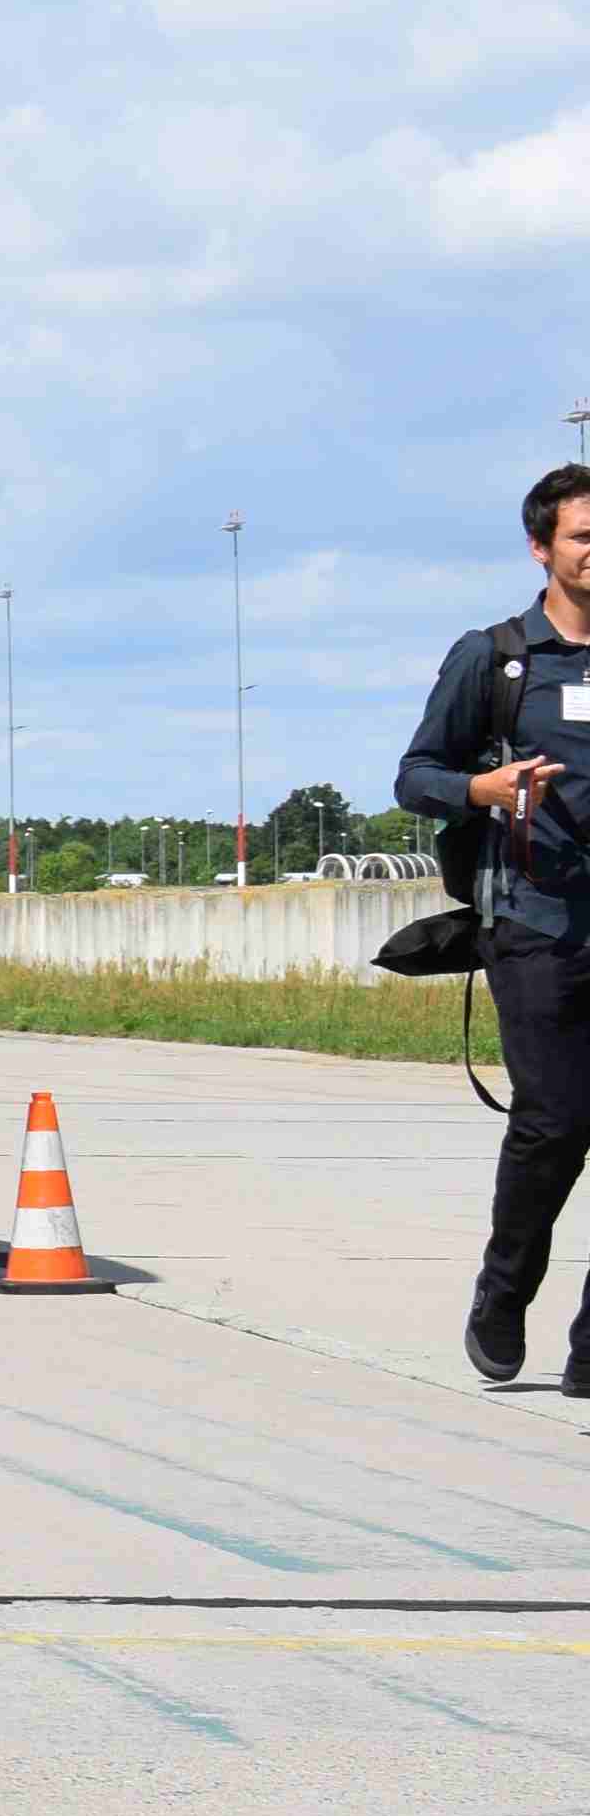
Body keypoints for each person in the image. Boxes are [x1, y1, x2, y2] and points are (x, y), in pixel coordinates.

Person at [405, 462, 590, 1388]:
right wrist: (480, 788)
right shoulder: (498, 658)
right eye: (584, 537)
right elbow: (415, 776)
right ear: (542, 549)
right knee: (556, 1121)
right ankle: (505, 1291)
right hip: (535, 922)